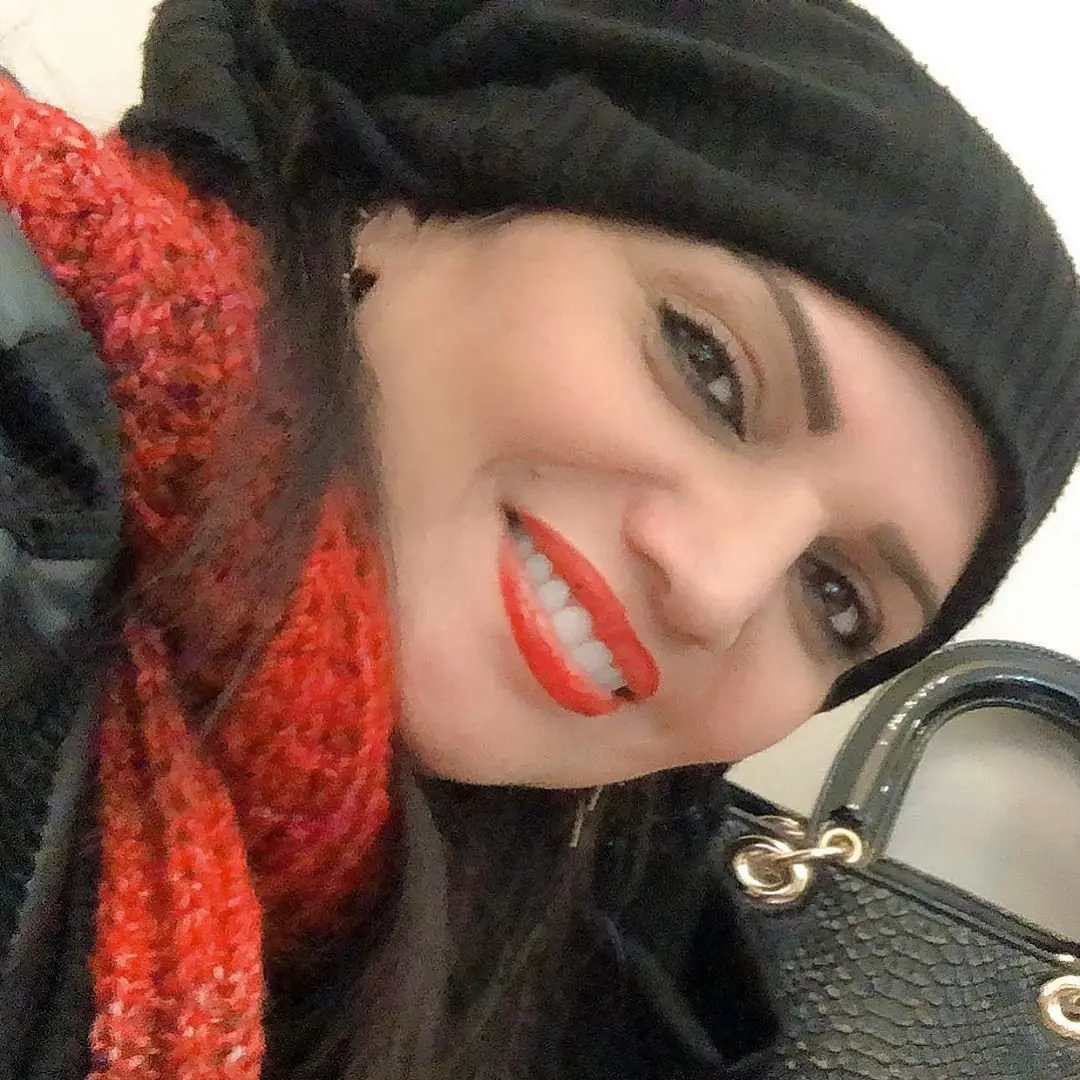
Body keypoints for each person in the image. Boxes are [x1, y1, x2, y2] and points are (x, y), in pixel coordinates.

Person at [0, 0, 1077, 1078]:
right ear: (403, 200)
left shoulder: (541, 935)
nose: (717, 587)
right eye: (710, 369)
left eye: (836, 595)